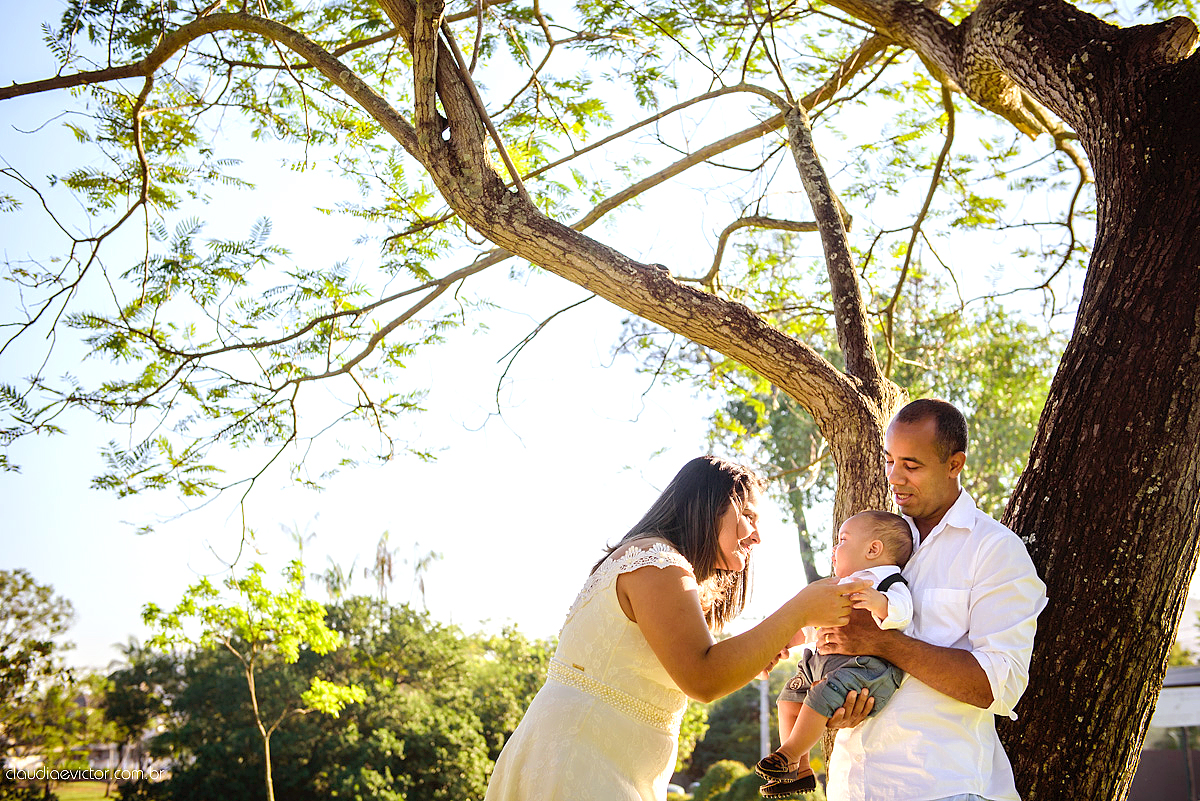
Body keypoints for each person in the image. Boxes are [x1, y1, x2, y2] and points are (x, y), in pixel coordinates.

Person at [484, 455, 869, 801]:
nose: (757, 534)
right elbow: (703, 678)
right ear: (708, 507)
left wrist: (758, 652)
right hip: (578, 763)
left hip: (603, 760)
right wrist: (799, 609)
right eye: (748, 515)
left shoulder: (658, 562)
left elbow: (698, 665)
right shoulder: (657, 563)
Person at [818, 399, 1048, 801]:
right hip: (851, 787)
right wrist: (834, 701)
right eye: (890, 461)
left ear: (955, 464)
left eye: (912, 465)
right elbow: (837, 640)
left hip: (942, 787)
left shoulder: (993, 550)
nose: (895, 477)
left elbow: (998, 686)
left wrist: (883, 642)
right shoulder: (871, 541)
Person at [756, 510, 914, 798]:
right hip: (820, 663)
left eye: (842, 540)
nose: (834, 549)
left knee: (820, 694)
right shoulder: (836, 587)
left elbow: (903, 613)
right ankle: (798, 769)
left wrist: (879, 603)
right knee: (788, 700)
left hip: (865, 668)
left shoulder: (887, 582)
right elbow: (809, 627)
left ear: (873, 549)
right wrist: (777, 644)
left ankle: (789, 752)